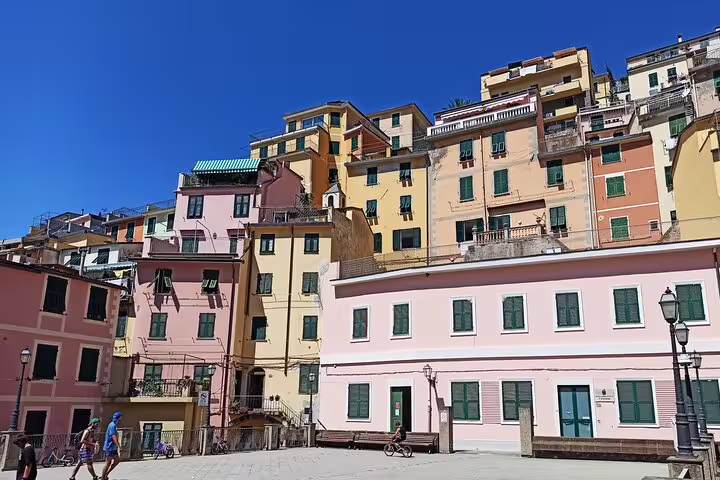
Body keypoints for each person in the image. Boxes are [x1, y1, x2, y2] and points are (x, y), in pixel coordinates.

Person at [102, 412, 122, 480]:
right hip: (109, 447)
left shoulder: (113, 425)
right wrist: (118, 445)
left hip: (113, 447)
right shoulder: (112, 425)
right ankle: (102, 477)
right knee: (108, 462)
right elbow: (113, 436)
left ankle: (106, 474)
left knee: (116, 461)